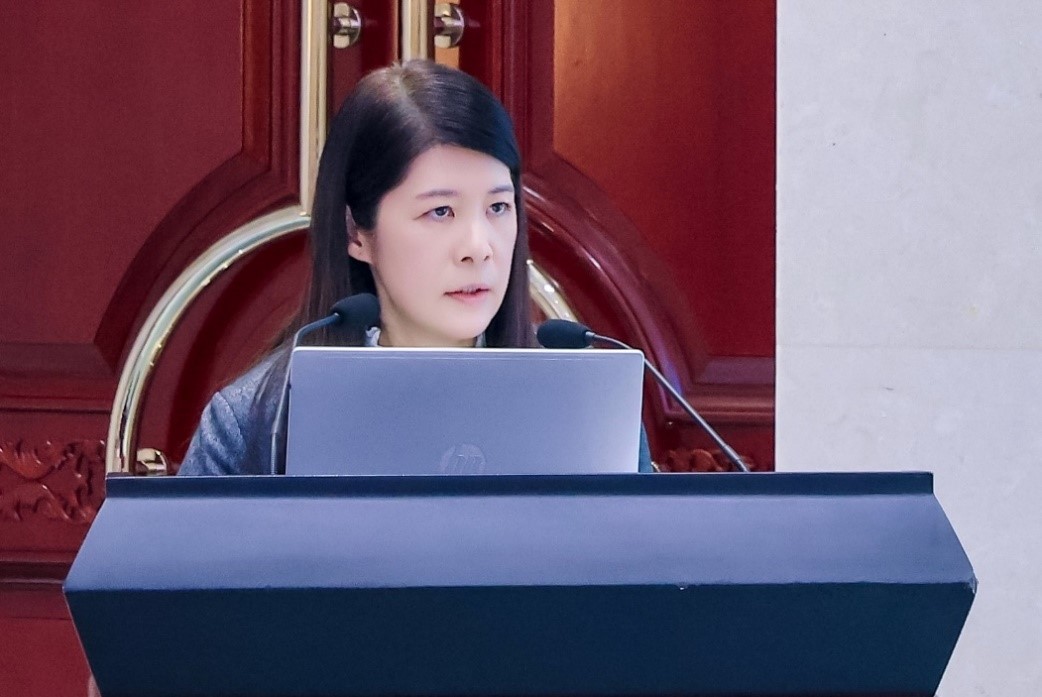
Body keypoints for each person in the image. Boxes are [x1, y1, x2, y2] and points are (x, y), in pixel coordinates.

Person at [177, 60, 652, 476]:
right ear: (356, 234)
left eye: (498, 208)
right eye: (440, 212)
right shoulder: (255, 421)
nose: (478, 248)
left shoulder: (591, 412)